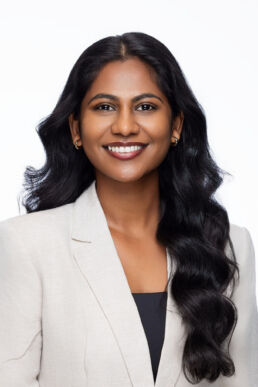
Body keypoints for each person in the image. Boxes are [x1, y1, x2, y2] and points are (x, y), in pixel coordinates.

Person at [0, 31, 257, 387]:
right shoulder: (27, 244)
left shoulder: (229, 246)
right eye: (104, 107)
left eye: (146, 106)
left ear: (176, 126)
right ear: (76, 128)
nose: (124, 127)